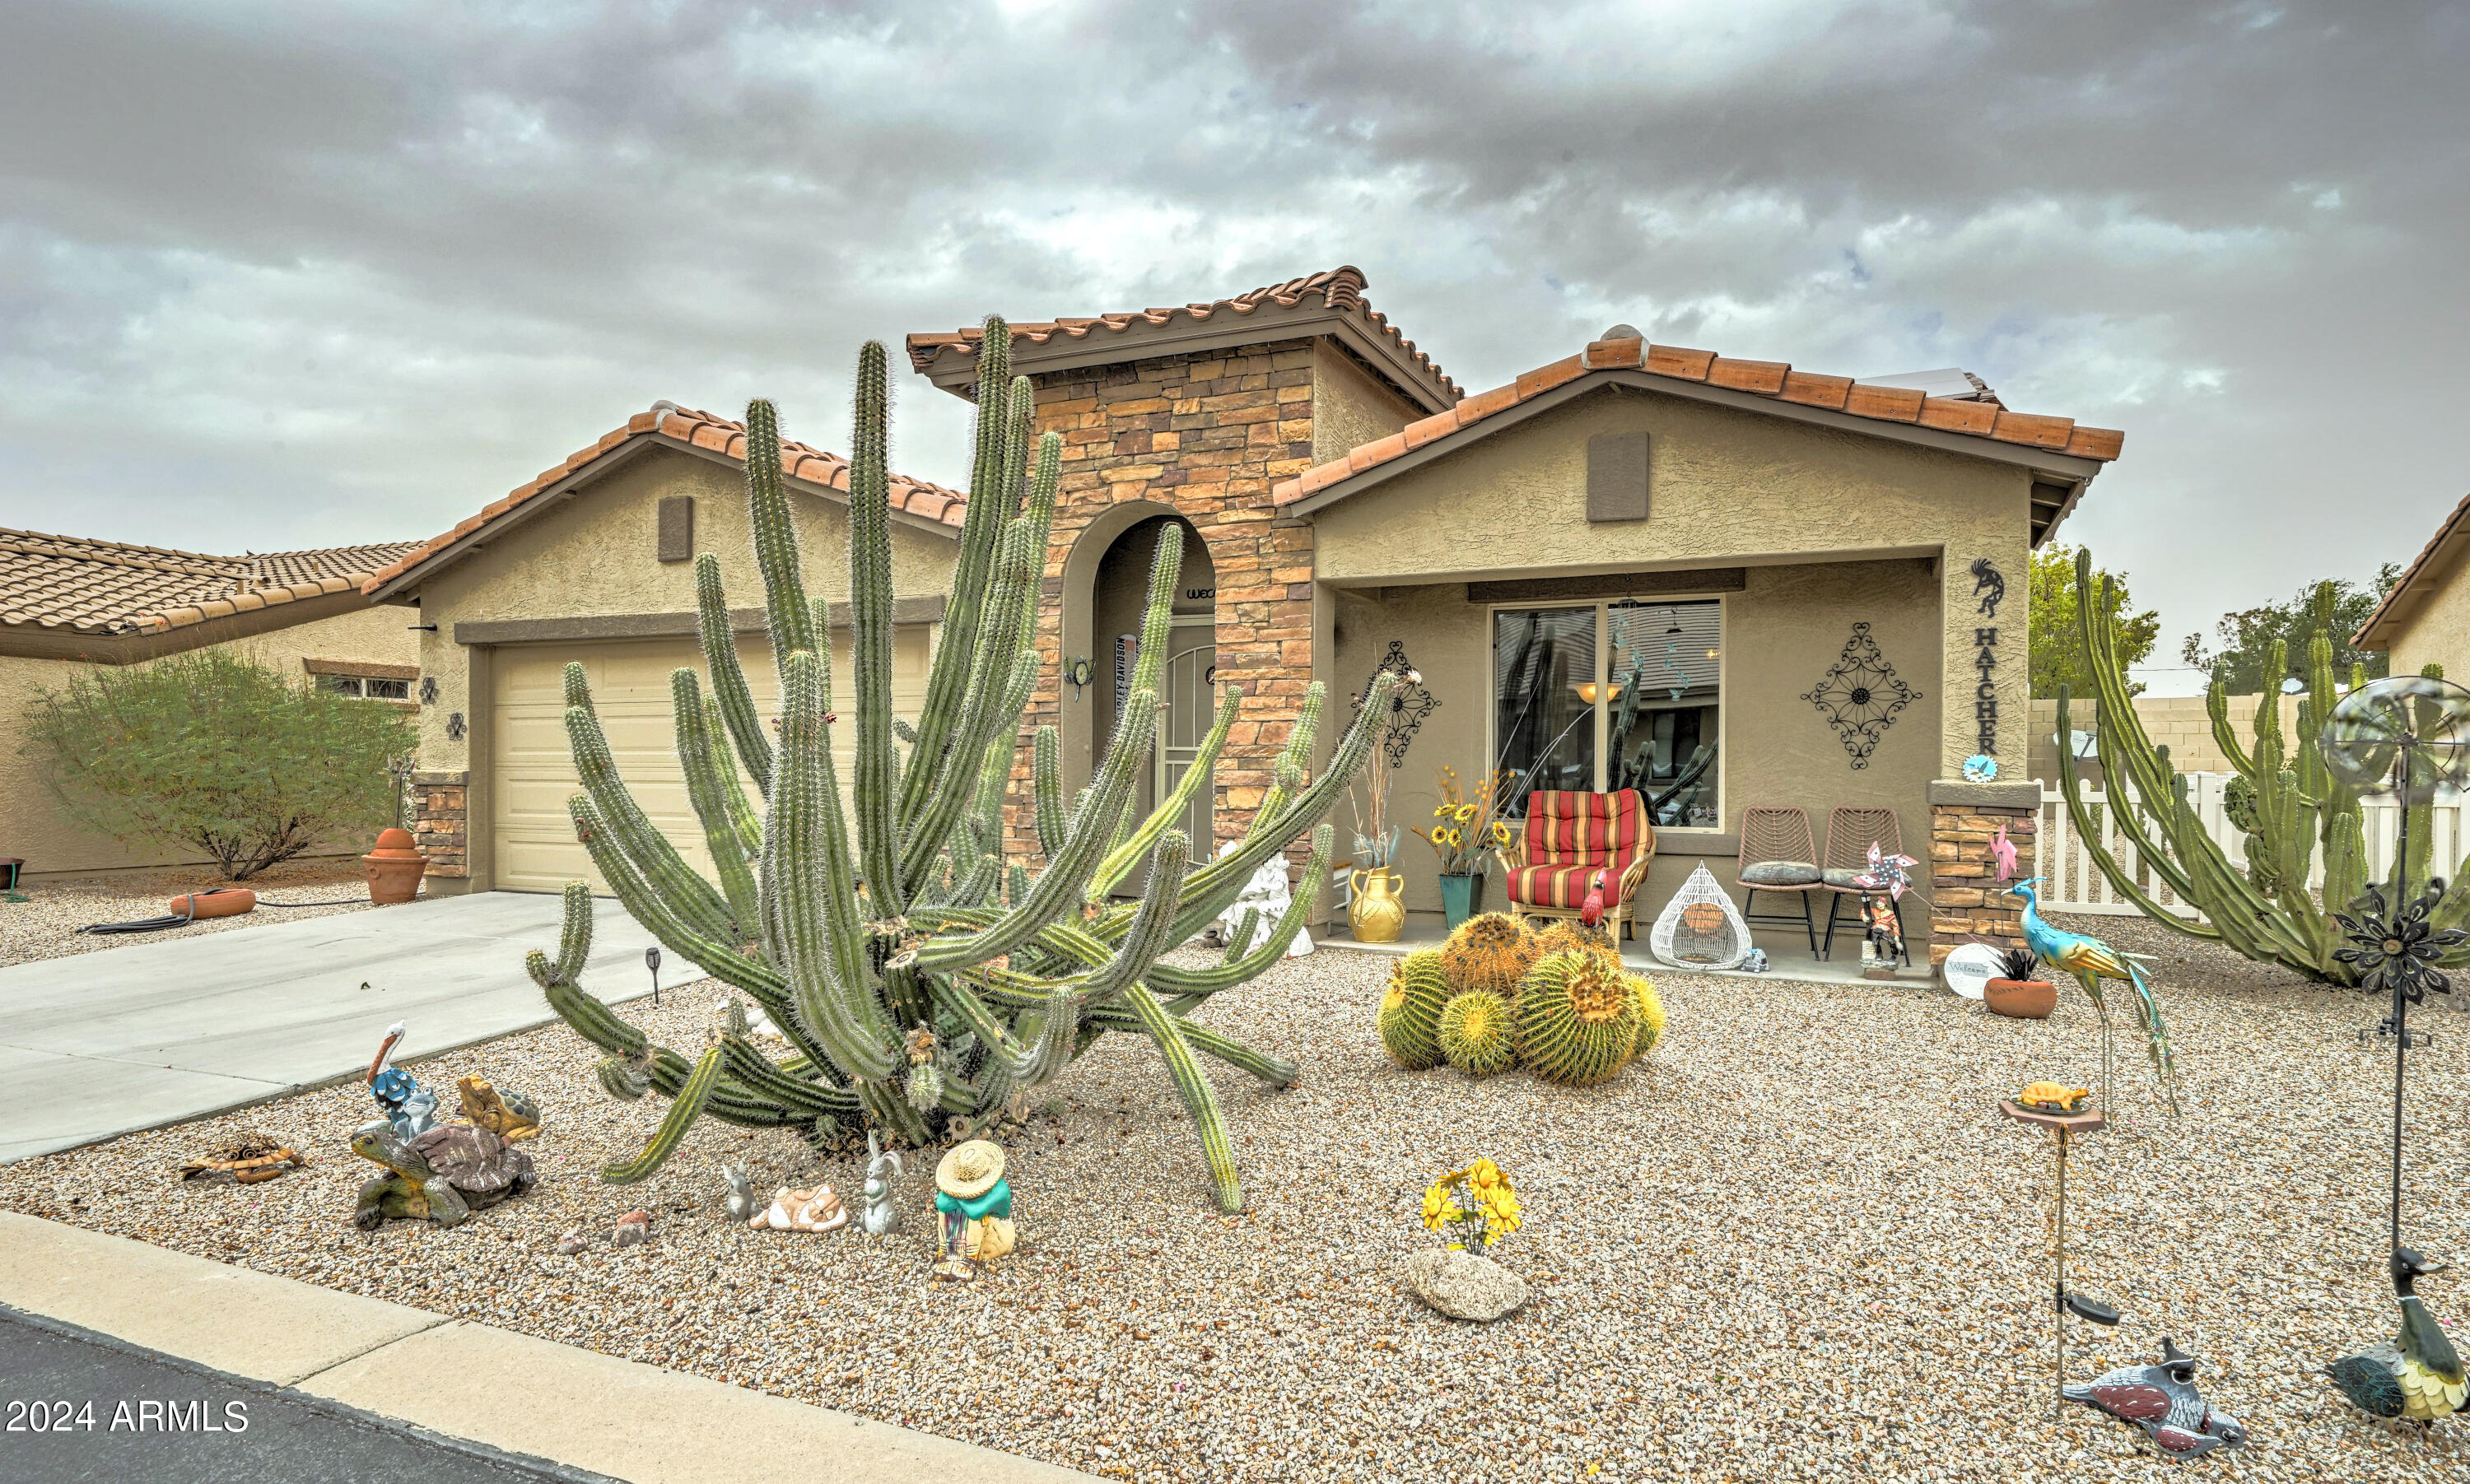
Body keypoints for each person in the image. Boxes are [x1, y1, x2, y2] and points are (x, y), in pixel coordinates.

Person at [932, 1139, 1014, 1282]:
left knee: (976, 1218)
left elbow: (976, 1211)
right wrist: (963, 1196)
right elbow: (941, 1203)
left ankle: (968, 1258)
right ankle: (947, 1253)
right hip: (966, 1232)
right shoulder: (957, 1192)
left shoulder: (1001, 1189)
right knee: (945, 1213)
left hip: (995, 1234)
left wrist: (957, 1196)